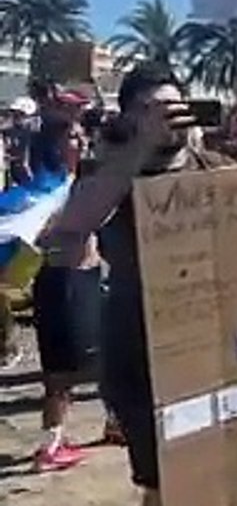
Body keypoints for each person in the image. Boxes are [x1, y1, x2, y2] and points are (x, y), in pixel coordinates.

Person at [40, 63, 237, 506]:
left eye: (176, 107)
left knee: (223, 473)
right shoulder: (108, 172)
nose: (169, 117)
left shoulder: (214, 167)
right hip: (142, 357)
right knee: (165, 484)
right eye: (154, 109)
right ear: (129, 117)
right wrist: (139, 149)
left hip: (215, 348)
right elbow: (72, 229)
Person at [29, 118, 109, 471]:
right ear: (55, 146)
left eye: (81, 135)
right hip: (63, 281)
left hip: (87, 277)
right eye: (72, 137)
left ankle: (116, 423)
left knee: (105, 358)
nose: (82, 140)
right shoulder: (50, 189)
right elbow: (45, 235)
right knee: (61, 371)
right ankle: (51, 445)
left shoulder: (80, 181)